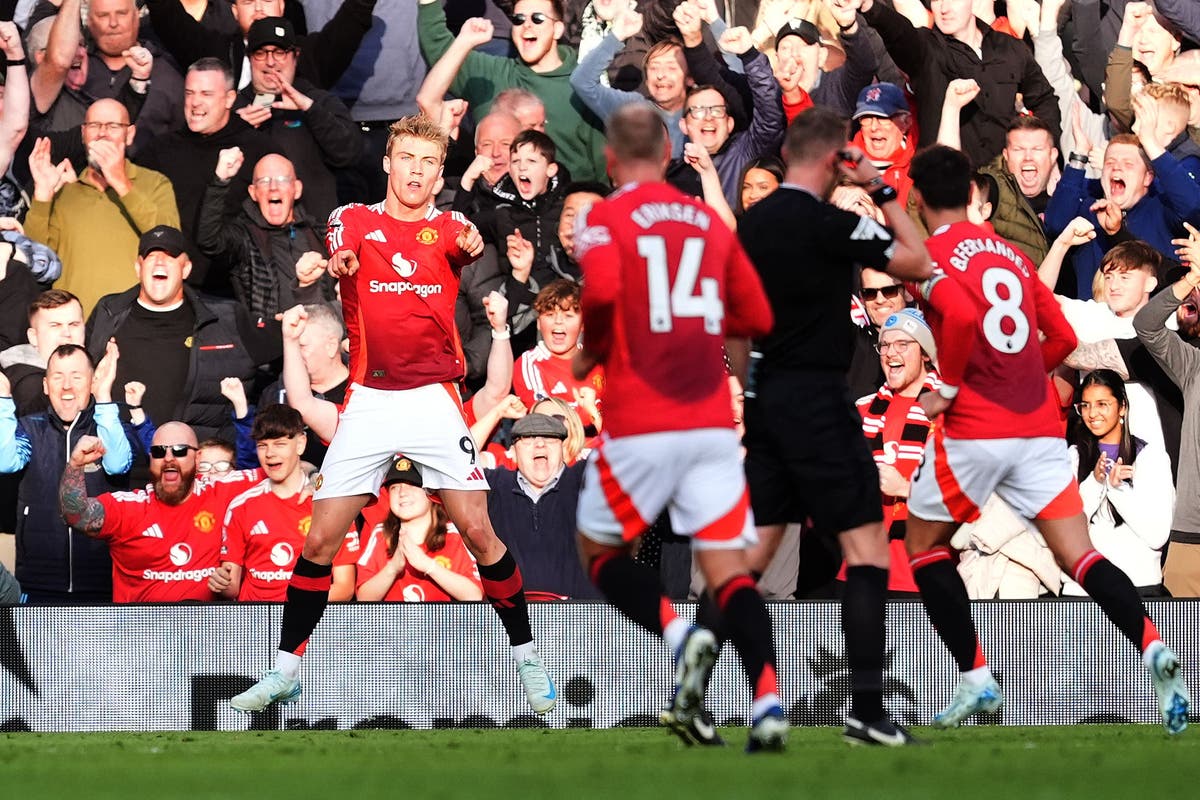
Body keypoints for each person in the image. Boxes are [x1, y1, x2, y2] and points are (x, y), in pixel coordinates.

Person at [229, 115, 555, 716]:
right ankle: (285, 671)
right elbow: (337, 251)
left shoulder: (451, 225)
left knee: (479, 533)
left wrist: (475, 245)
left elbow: (467, 239)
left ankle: (529, 660)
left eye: (428, 163)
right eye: (406, 159)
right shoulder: (353, 220)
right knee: (321, 539)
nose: (415, 172)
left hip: (435, 399)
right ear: (388, 162)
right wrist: (328, 267)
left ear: (439, 172)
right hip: (370, 401)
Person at [902, 143, 1188, 735]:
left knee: (924, 547)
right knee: (1079, 555)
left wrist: (953, 388)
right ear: (974, 197)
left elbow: (954, 318)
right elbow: (1058, 338)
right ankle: (1157, 648)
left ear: (923, 200)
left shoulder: (931, 257)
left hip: (977, 424)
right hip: (1033, 424)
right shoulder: (1008, 255)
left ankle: (978, 679)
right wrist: (1026, 375)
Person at [572, 104, 783, 751]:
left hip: (641, 415)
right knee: (729, 572)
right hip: (712, 421)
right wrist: (737, 383)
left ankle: (676, 634)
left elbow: (604, 298)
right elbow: (753, 316)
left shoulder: (606, 218)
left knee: (598, 553)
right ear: (667, 156)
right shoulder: (710, 224)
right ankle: (769, 702)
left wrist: (588, 354)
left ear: (611, 161)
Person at [738, 106, 932, 746]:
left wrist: (747, 383)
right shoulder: (832, 223)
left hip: (768, 398)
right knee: (867, 547)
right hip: (820, 398)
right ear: (832, 160)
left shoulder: (751, 224)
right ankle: (867, 708)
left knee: (753, 555)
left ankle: (718, 692)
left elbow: (731, 319)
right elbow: (914, 260)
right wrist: (879, 188)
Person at [86, 225, 279, 446]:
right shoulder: (108, 312)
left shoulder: (225, 318)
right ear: (138, 267)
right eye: (152, 256)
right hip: (122, 465)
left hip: (199, 465)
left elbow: (290, 340)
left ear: (186, 269)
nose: (159, 262)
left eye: (170, 256)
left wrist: (303, 290)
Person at [58, 420, 258, 602]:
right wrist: (75, 464)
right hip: (141, 635)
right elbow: (76, 515)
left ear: (198, 458)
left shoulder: (221, 493)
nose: (169, 458)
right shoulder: (130, 507)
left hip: (205, 635)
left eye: (179, 450)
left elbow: (280, 469)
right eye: (159, 451)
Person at [0, 343, 135, 603]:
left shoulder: (110, 425)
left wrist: (104, 393)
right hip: (39, 581)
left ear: (92, 381)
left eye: (76, 376)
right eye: (58, 376)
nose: (66, 386)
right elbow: (6, 462)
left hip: (102, 580)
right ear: (45, 385)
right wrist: (4, 398)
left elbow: (117, 464)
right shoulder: (28, 428)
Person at [417, 0, 609, 182]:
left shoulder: (583, 85)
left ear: (557, 29)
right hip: (495, 209)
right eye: (519, 19)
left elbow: (604, 165)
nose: (527, 25)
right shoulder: (490, 74)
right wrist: (463, 39)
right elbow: (438, 48)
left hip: (569, 206)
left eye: (538, 18)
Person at [25, 98, 179, 315]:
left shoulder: (155, 184)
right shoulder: (65, 192)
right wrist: (42, 193)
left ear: (130, 134)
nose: (102, 133)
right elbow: (37, 262)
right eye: (94, 126)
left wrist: (121, 182)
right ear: (83, 134)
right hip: (76, 329)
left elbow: (170, 240)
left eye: (113, 126)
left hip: (135, 325)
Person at [135, 58, 278, 288]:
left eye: (206, 94)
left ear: (230, 98)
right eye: (190, 93)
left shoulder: (258, 149)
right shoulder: (159, 151)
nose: (195, 102)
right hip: (172, 286)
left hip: (239, 288)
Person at [211, 404, 356, 602]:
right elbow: (232, 587)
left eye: (279, 444)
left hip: (305, 626)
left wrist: (295, 611)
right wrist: (222, 583)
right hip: (255, 625)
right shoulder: (241, 506)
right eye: (262, 445)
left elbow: (344, 588)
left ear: (300, 444)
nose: (269, 453)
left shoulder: (331, 507)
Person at [231, 17, 362, 224]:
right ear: (249, 58)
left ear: (295, 55)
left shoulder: (318, 101)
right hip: (249, 240)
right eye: (261, 53)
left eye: (279, 52)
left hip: (313, 233)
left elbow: (349, 153)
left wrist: (310, 110)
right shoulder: (233, 109)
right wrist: (233, 129)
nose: (271, 61)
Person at [850, 308, 941, 595]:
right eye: (885, 345)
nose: (891, 353)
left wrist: (904, 488)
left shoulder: (950, 412)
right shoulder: (862, 410)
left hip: (918, 573)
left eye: (903, 344)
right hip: (860, 569)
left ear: (925, 353)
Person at [1064, 370, 1172, 596]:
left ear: (1122, 407)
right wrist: (1095, 482)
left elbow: (1157, 534)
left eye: (1102, 404)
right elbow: (1066, 530)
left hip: (1138, 587)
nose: (1092, 413)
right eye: (1085, 405)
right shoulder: (1072, 457)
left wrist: (1117, 489)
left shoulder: (1151, 457)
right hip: (1081, 592)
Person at [1135, 233, 1200, 597]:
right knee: (1184, 651)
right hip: (1191, 536)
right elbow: (1146, 325)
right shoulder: (1192, 364)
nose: (1193, 293)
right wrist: (1190, 279)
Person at [197, 151, 335, 318]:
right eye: (264, 181)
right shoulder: (245, 236)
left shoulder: (318, 233)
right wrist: (220, 181)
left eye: (282, 180)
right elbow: (208, 240)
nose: (273, 187)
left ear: (296, 189)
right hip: (268, 338)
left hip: (319, 335)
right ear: (253, 192)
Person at [485, 413, 594, 599]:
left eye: (550, 438)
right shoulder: (494, 485)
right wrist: (497, 411)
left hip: (580, 617)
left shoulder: (585, 481)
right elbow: (453, 466)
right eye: (528, 438)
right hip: (510, 619)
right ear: (513, 450)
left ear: (563, 446)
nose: (540, 444)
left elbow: (625, 451)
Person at [355, 455, 483, 602]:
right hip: (394, 624)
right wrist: (393, 568)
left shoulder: (455, 535)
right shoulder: (380, 534)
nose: (402, 493)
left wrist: (427, 565)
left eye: (412, 484)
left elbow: (475, 595)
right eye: (394, 487)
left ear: (430, 491)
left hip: (443, 624)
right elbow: (363, 598)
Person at [84, 0, 186, 151]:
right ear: (89, 22)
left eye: (121, 13)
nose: (113, 23)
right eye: (103, 15)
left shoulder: (168, 72)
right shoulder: (75, 70)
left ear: (137, 16)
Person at [513, 280, 604, 430]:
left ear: (583, 324)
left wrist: (591, 412)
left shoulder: (599, 361)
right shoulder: (530, 363)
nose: (558, 322)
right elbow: (547, 420)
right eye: (550, 314)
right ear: (538, 323)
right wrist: (590, 411)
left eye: (568, 315)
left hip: (605, 448)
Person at [1, 290, 85, 416]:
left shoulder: (95, 372)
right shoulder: (30, 387)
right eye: (55, 325)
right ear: (33, 336)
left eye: (74, 324)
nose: (67, 333)